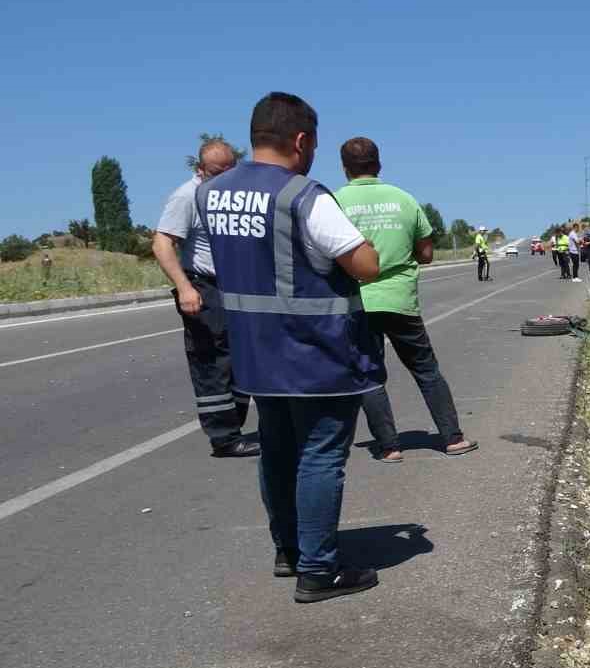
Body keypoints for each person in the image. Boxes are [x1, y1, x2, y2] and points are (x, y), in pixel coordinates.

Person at [200, 92, 384, 602]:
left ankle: (289, 550)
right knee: (322, 456)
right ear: (302, 141)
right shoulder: (303, 196)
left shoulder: (212, 194)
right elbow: (363, 264)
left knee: (277, 452)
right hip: (315, 352)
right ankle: (319, 569)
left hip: (255, 354)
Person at [333, 137, 478, 463]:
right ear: (379, 164)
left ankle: (389, 446)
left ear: (345, 168)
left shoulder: (335, 202)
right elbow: (426, 254)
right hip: (400, 299)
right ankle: (452, 438)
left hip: (358, 302)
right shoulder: (403, 199)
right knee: (426, 370)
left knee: (369, 374)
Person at [152, 139, 258, 457]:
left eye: (229, 170)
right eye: (216, 172)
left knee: (242, 359)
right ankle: (224, 437)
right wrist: (185, 288)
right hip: (204, 286)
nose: (223, 176)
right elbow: (162, 244)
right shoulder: (187, 196)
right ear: (200, 170)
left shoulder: (233, 196)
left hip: (236, 287)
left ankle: (234, 425)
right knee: (212, 362)